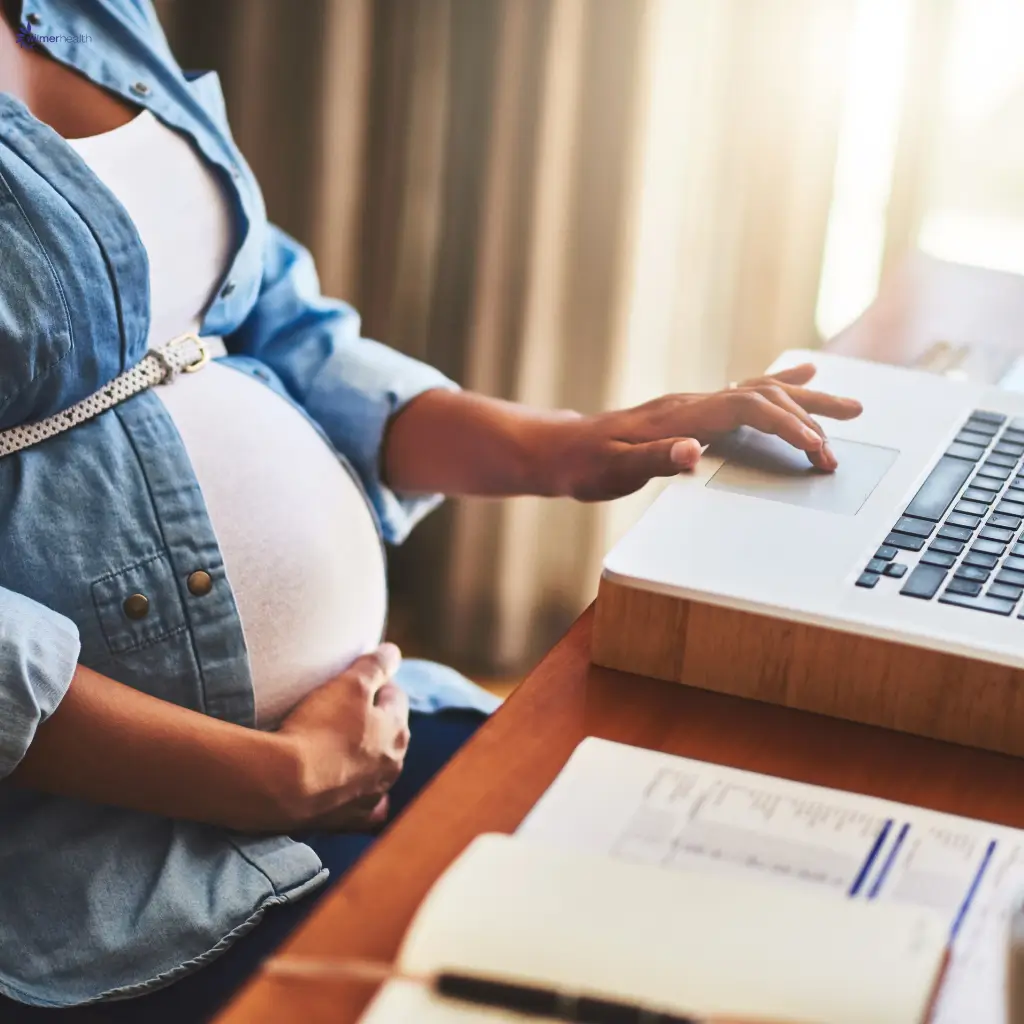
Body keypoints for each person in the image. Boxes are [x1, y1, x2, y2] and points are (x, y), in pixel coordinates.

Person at [0, 1, 862, 1020]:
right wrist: (274, 779)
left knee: (731, 915)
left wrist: (573, 443)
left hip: (363, 728)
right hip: (109, 869)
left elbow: (264, 312)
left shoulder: (86, 11)